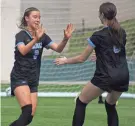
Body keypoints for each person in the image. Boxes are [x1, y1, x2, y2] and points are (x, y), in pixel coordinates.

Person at [54, 2, 129, 126]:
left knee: (81, 102)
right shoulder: (122, 32)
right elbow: (116, 51)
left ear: (101, 15)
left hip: (106, 76)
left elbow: (82, 58)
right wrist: (100, 54)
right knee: (110, 105)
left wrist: (65, 60)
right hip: (123, 76)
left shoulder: (98, 36)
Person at [9, 7, 74, 126]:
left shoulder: (43, 36)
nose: (38, 20)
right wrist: (35, 40)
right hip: (19, 77)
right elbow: (22, 50)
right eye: (35, 17)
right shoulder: (21, 35)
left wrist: (65, 39)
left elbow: (58, 49)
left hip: (33, 79)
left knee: (29, 117)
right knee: (27, 110)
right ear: (27, 18)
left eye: (39, 17)